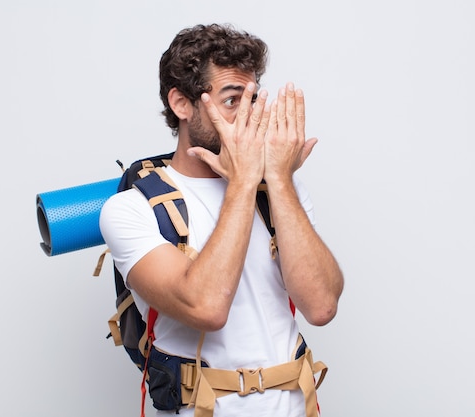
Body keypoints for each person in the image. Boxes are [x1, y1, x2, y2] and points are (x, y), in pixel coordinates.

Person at [99, 23, 344, 417]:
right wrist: (245, 180)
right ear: (182, 104)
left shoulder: (279, 190)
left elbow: (321, 306)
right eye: (232, 101)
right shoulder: (130, 209)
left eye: (253, 99)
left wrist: (278, 179)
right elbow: (206, 308)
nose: (248, 116)